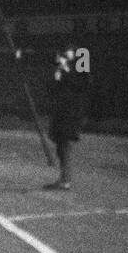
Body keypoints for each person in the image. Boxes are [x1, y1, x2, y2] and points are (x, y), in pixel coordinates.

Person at [43, 45, 90, 191]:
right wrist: (58, 71)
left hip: (72, 112)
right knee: (60, 145)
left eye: (67, 53)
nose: (64, 55)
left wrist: (65, 69)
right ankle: (63, 178)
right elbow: (53, 88)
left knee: (64, 145)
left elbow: (81, 85)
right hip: (61, 111)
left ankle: (65, 180)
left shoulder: (80, 66)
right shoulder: (63, 69)